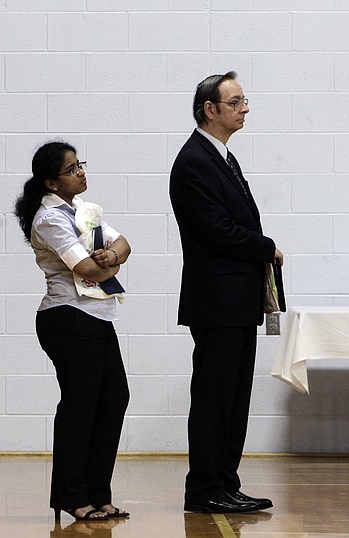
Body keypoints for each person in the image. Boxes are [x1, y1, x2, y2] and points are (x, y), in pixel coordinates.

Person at [169, 72, 283, 513]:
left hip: (236, 300)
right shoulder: (195, 160)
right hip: (216, 301)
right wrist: (265, 246)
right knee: (215, 398)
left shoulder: (221, 157)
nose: (245, 108)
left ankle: (225, 482)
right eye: (235, 101)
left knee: (234, 398)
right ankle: (203, 489)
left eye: (244, 99)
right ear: (209, 110)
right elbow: (215, 230)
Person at [15, 141, 131, 522]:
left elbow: (123, 244)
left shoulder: (84, 211)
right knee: (80, 407)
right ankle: (71, 496)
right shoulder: (49, 219)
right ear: (51, 182)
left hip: (97, 316)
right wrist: (108, 266)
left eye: (79, 164)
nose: (80, 172)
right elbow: (87, 270)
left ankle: (99, 494)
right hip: (66, 318)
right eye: (71, 169)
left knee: (114, 398)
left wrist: (111, 257)